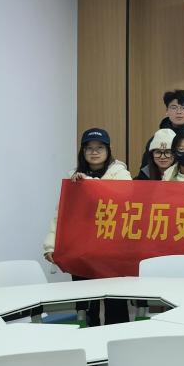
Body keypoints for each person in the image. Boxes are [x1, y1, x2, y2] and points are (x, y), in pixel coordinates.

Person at [43, 128, 132, 327]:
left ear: (108, 150)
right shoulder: (72, 177)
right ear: (82, 152)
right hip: (82, 250)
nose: (94, 152)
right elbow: (62, 213)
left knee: (116, 302)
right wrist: (50, 245)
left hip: (112, 250)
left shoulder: (121, 173)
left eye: (100, 147)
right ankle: (87, 339)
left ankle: (118, 339)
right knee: (85, 304)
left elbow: (123, 196)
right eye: (89, 148)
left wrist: (88, 184)